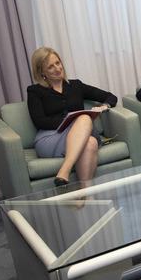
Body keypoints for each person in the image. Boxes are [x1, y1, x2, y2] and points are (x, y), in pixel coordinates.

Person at [27, 47, 117, 186]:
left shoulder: (76, 85)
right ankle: (65, 170)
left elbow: (110, 97)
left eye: (58, 63)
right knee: (84, 118)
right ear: (41, 72)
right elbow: (40, 121)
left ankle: (84, 193)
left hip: (81, 134)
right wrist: (69, 121)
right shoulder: (35, 91)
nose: (57, 68)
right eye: (51, 67)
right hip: (51, 137)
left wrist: (104, 107)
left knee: (91, 143)